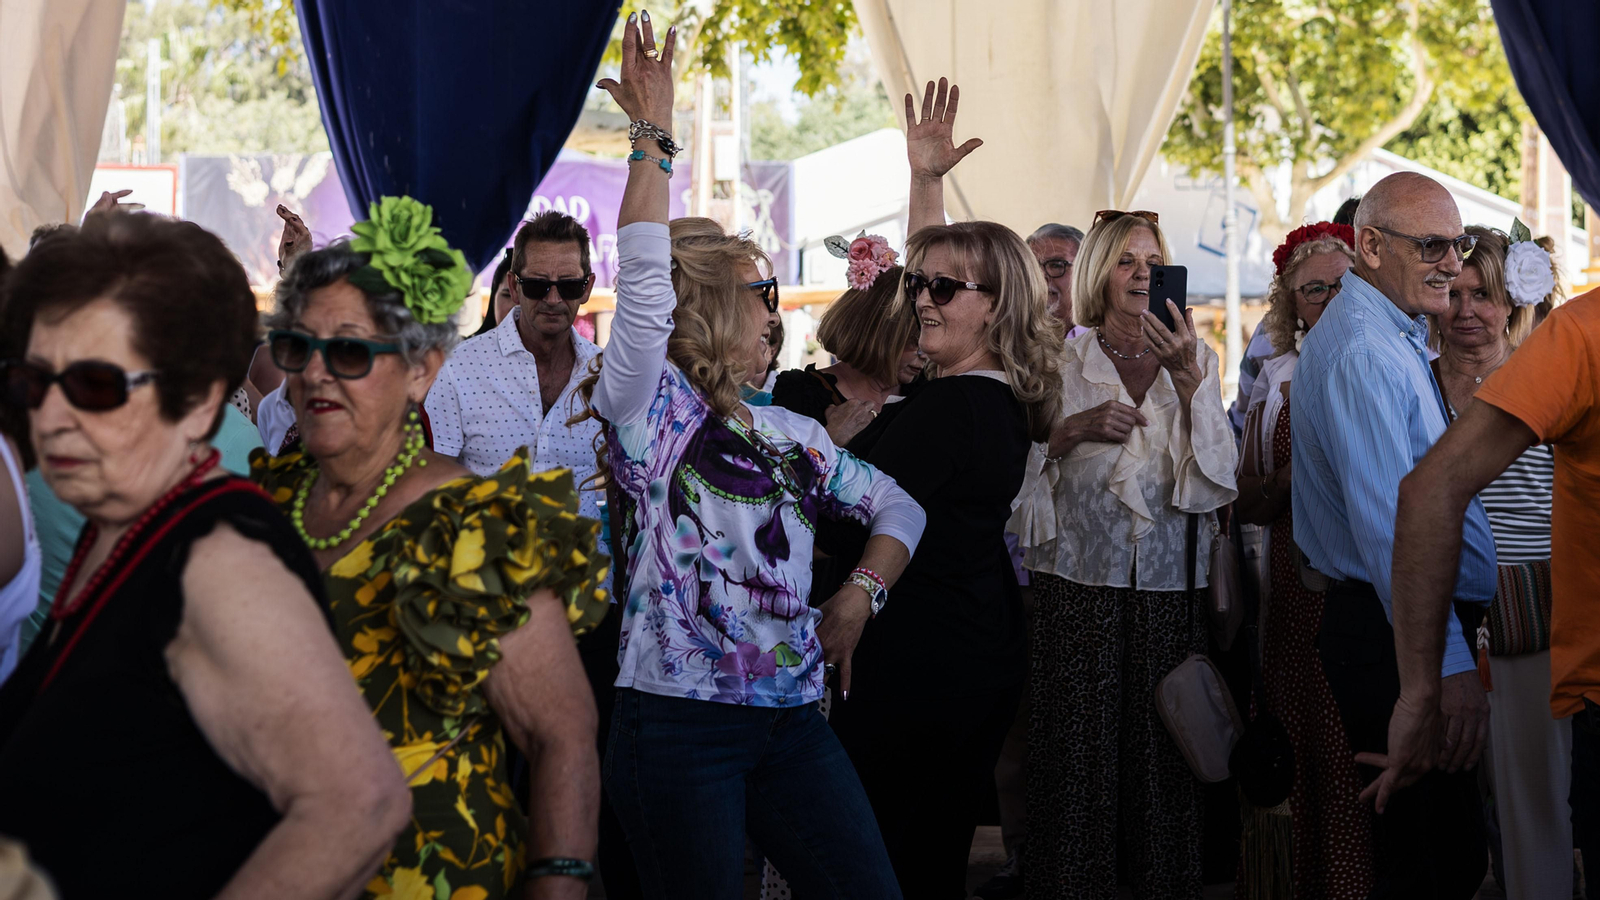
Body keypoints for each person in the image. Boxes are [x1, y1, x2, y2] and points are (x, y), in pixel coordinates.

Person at [587, 17, 926, 898]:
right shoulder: (649, 407)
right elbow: (643, 281)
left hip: (792, 722)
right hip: (675, 723)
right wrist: (654, 135)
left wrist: (860, 595)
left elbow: (902, 509)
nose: (775, 311)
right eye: (761, 291)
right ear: (706, 304)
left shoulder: (794, 435)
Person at [0, 211, 410, 899]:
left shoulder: (217, 561)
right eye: (33, 383)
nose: (52, 416)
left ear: (195, 404)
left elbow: (361, 806)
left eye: (96, 386)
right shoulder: (123, 522)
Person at [251, 196, 611, 900]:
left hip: (435, 873)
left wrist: (558, 882)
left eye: (349, 350)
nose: (317, 372)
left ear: (420, 372)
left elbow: (562, 736)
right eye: (298, 347)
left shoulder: (472, 521)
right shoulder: (267, 503)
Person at [818, 78, 1064, 900]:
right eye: (919, 285)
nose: (922, 299)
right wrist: (924, 181)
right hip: (959, 648)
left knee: (896, 860)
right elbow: (933, 276)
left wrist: (823, 453)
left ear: (994, 310)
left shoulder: (954, 408)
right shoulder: (973, 392)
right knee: (920, 854)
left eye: (944, 292)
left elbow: (851, 520)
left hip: (922, 663)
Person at [1011, 207, 1237, 899]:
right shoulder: (1056, 359)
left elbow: (1219, 479)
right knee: (1076, 752)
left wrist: (1191, 382)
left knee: (1165, 746)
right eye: (1126, 261)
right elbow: (1013, 478)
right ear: (1097, 273)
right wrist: (1068, 431)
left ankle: (1160, 883)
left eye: (1154, 262)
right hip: (1076, 582)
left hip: (1170, 587)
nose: (1142, 275)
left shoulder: (1199, 359)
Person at [1291, 171, 1492, 899]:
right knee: (1427, 864)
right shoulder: (1362, 350)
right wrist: (1445, 668)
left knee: (1442, 856)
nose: (1453, 265)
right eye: (1433, 245)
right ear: (1371, 246)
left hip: (1402, 628)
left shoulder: (1388, 332)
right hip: (1395, 633)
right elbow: (1390, 533)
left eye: (1459, 245)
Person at [1404, 225, 1571, 898]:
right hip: (1434, 616)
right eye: (1455, 292)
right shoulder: (1413, 383)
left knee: (1534, 799)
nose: (1467, 310)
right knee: (1441, 810)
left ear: (1512, 303)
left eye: (1485, 294)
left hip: (1532, 616)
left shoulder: (1545, 381)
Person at [1233, 222, 1373, 898]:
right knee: (1294, 739)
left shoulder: (1385, 362)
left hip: (1358, 587)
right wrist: (1289, 481)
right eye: (1313, 290)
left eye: (1341, 286)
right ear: (1291, 303)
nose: (1328, 299)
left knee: (1349, 745)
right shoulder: (1275, 376)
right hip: (1290, 591)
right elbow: (1246, 499)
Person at [769, 256, 925, 446]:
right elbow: (780, 463)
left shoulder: (925, 390)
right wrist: (831, 440)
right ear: (879, 334)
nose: (925, 351)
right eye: (915, 341)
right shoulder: (802, 394)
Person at [1026, 223, 1085, 334]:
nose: (1040, 276)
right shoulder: (1009, 337)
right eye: (1032, 266)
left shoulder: (1108, 338)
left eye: (1056, 265)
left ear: (1085, 272)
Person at [473, 251, 518, 337]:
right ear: (494, 297)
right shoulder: (467, 344)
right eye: (507, 295)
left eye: (524, 297)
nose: (514, 307)